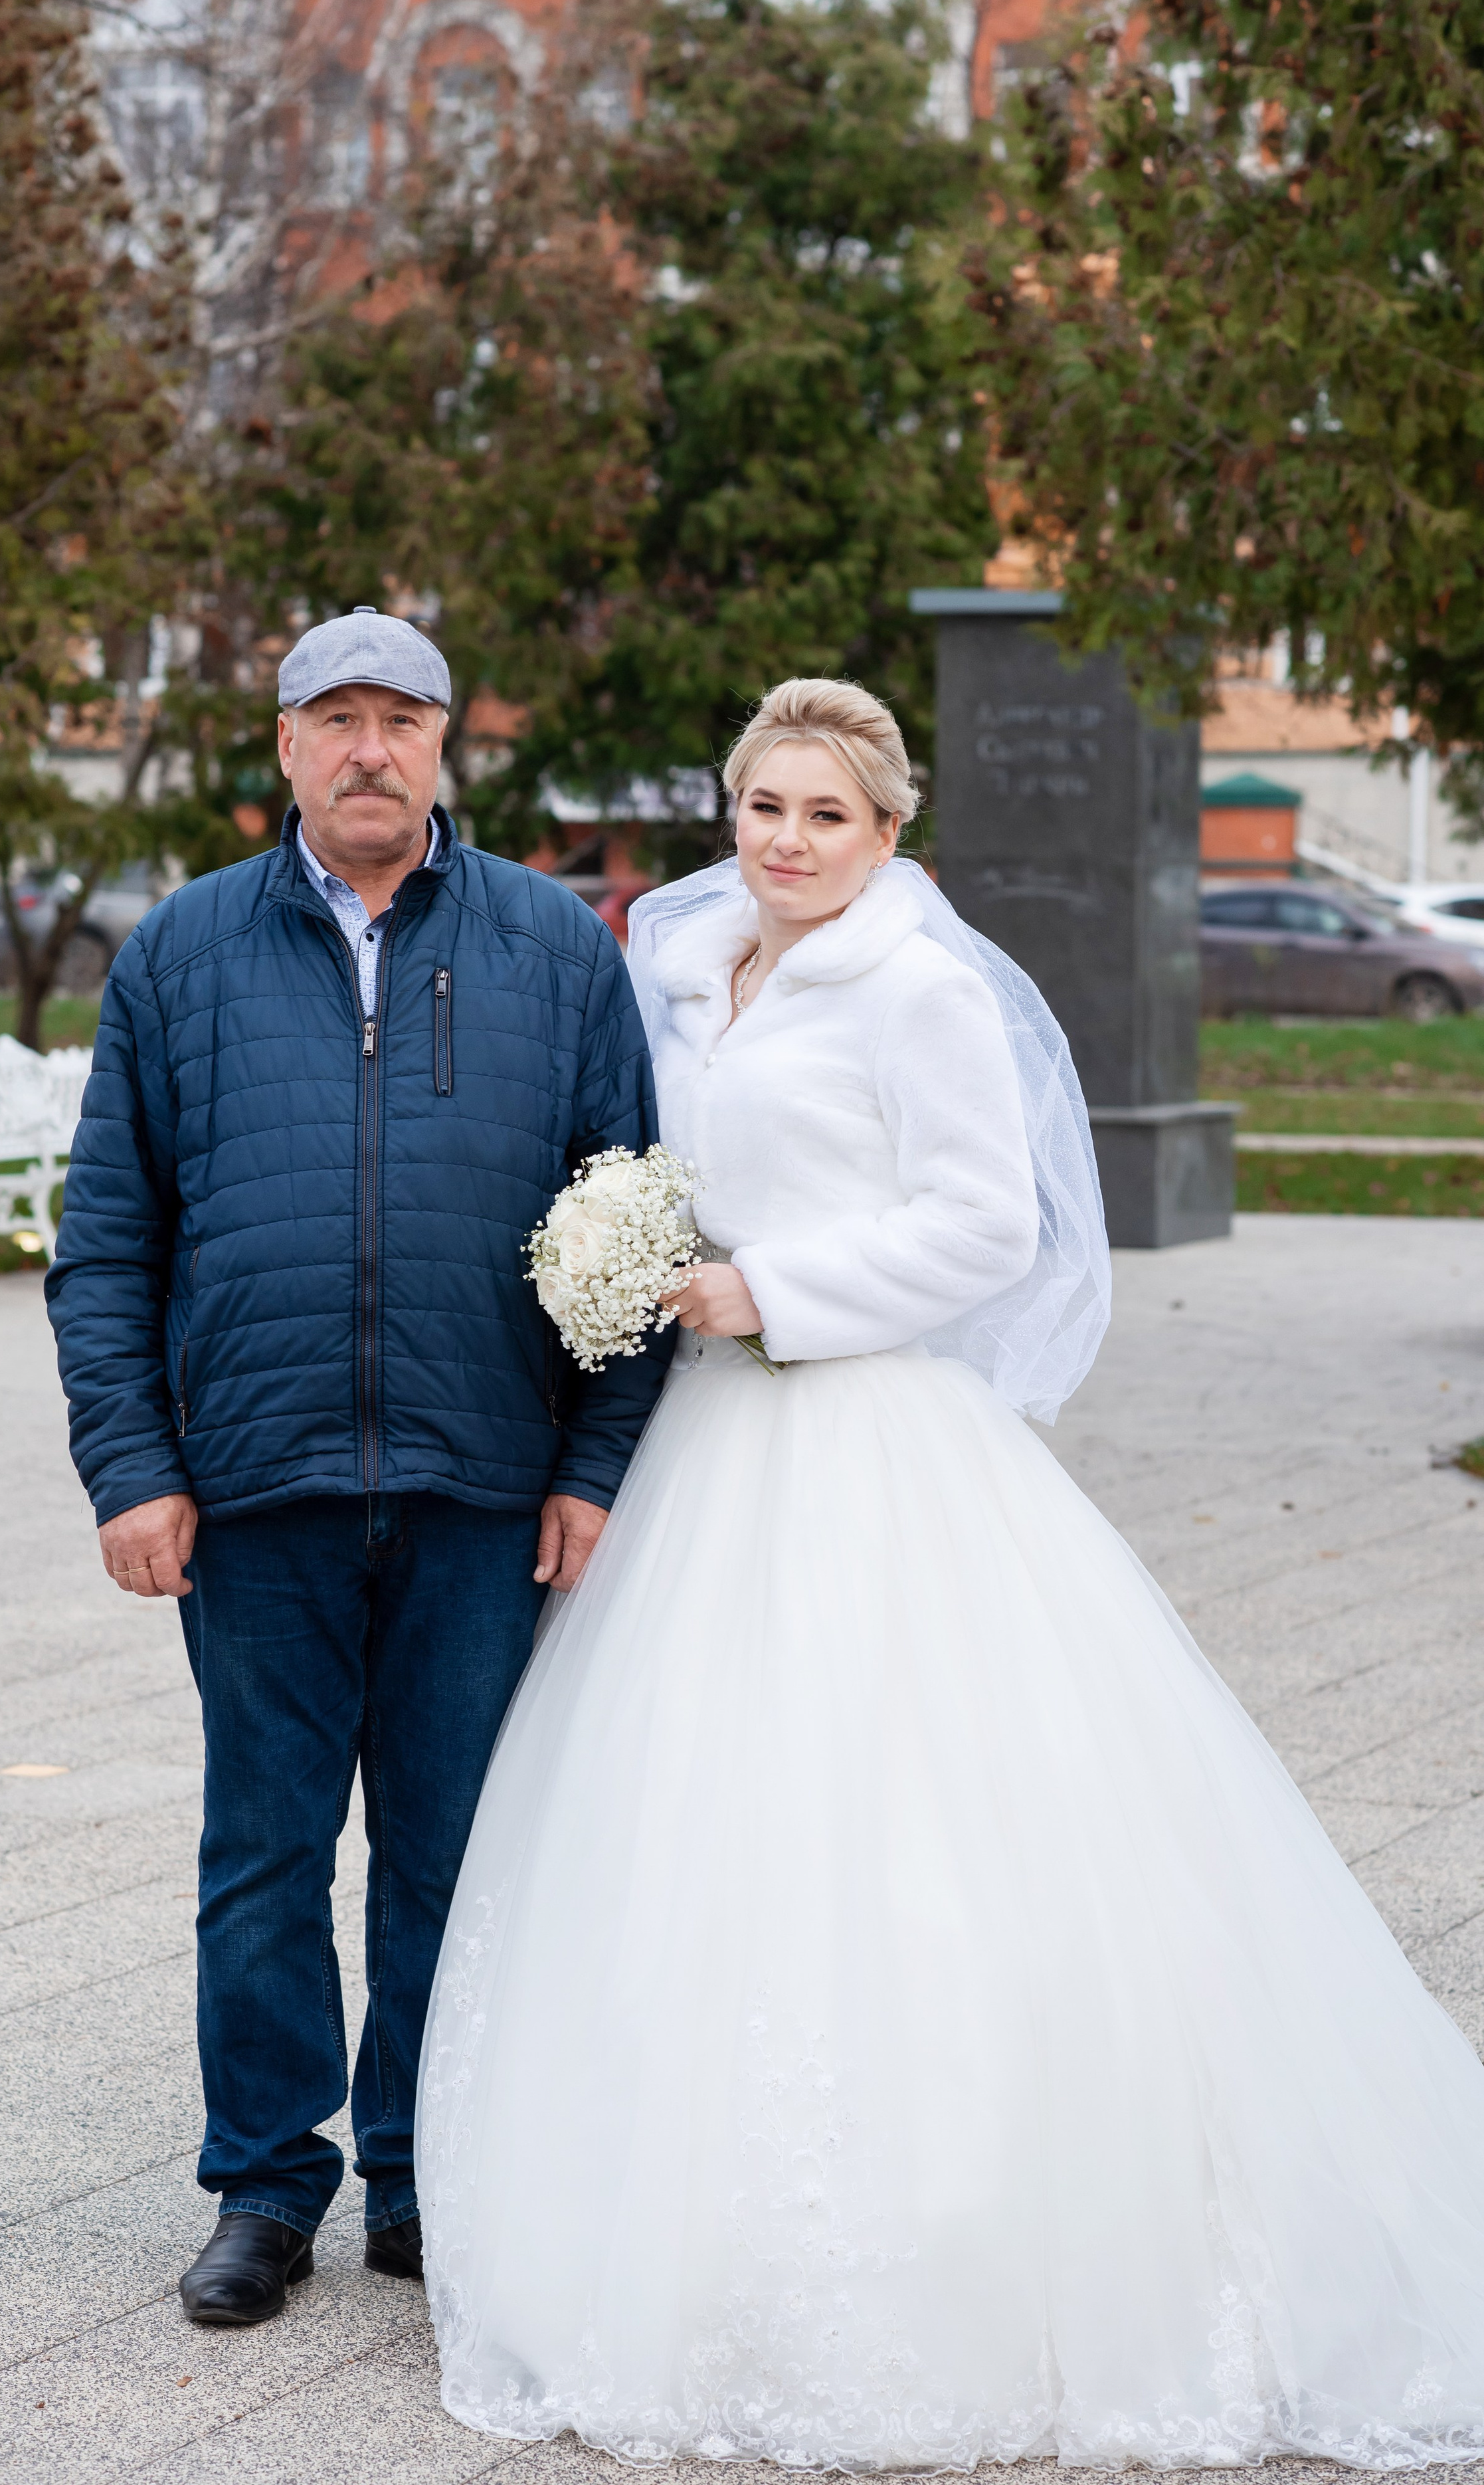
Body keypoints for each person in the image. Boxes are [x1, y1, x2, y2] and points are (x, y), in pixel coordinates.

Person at [417, 676, 1484, 2469]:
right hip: (706, 1446)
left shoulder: (919, 990)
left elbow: (992, 1225)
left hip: (866, 1428)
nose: (788, 841)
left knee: (905, 1810)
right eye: (765, 807)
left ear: (888, 832)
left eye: (826, 815)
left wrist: (773, 1291)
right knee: (689, 1817)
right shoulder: (691, 971)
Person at [46, 607, 668, 2328]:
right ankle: (265, 2183)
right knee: (262, 1852)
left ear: (448, 744)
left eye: (402, 718)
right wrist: (131, 1466)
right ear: (286, 746)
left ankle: (420, 2170)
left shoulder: (557, 947)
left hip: (485, 1485)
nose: (369, 749)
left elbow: (633, 1222)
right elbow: (108, 1245)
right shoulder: (181, 952)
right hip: (255, 1486)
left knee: (450, 1852)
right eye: (337, 718)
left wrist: (595, 1464)